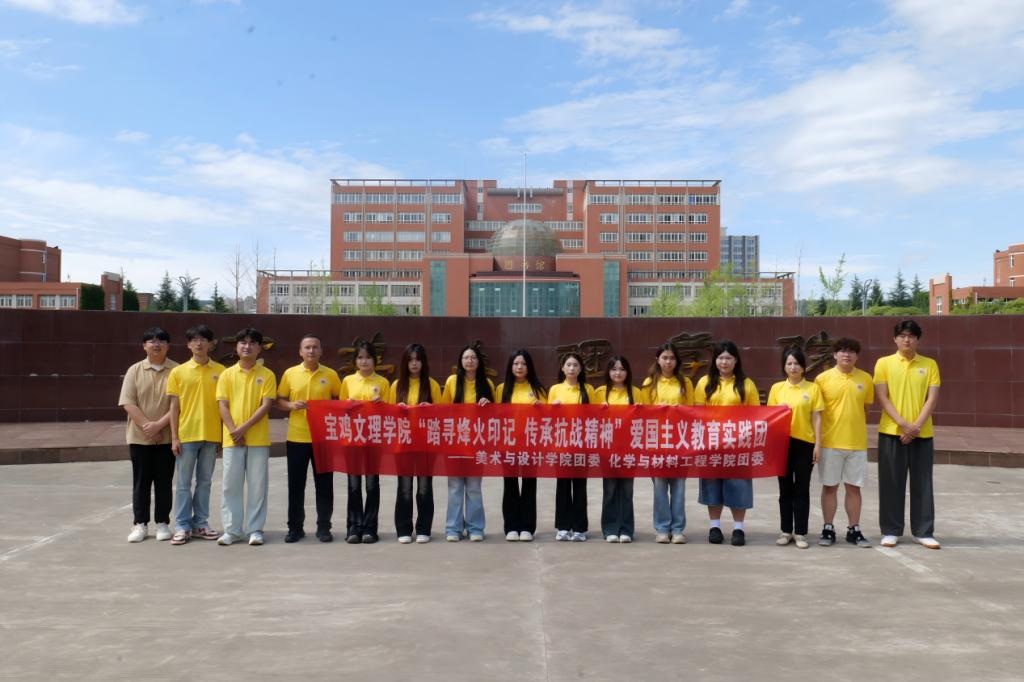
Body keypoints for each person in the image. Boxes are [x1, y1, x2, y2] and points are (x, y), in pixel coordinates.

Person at [874, 320, 942, 549]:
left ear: (917, 339)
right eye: (902, 335)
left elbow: (932, 399)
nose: (907, 339)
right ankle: (891, 530)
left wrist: (915, 427)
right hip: (891, 432)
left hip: (922, 433)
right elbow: (883, 397)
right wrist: (904, 425)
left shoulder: (930, 364)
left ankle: (923, 531)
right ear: (895, 339)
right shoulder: (884, 363)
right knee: (891, 483)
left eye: (911, 336)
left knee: (923, 483)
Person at [695, 340, 760, 547]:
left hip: (738, 444)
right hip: (712, 442)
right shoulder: (705, 382)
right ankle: (714, 526)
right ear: (715, 360)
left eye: (728, 358)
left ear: (736, 360)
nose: (724, 362)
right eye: (720, 358)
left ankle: (738, 528)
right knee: (712, 484)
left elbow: (755, 414)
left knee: (738, 485)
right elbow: (698, 413)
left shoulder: (746, 384)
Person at [277, 334, 341, 544]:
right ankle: (295, 528)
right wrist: (290, 405)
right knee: (296, 485)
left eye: (315, 347)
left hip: (324, 438)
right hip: (297, 437)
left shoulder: (330, 375)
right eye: (307, 347)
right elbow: (279, 399)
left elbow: (340, 399)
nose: (311, 351)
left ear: (321, 351)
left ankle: (324, 527)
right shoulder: (290, 374)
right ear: (300, 351)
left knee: (324, 486)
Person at [216, 328, 276, 546]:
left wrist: (243, 428)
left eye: (252, 343)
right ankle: (232, 530)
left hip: (258, 438)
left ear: (259, 348)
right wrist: (234, 430)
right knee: (230, 485)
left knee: (257, 486)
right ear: (237, 346)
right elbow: (222, 405)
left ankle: (255, 529)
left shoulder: (267, 375)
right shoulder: (227, 374)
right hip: (232, 439)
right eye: (243, 342)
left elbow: (266, 405)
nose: (247, 346)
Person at [119, 327, 179, 543]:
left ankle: (163, 522)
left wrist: (158, 426)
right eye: (152, 341)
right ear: (144, 346)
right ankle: (140, 524)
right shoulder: (134, 370)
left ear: (168, 345)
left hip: (166, 438)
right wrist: (148, 427)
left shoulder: (177, 370)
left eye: (161, 340)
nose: (156, 344)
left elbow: (178, 405)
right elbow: (128, 402)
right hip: (139, 438)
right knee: (141, 482)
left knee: (164, 482)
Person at [166, 324, 224, 545]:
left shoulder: (221, 371)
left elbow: (224, 406)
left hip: (211, 435)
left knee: (205, 482)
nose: (199, 343)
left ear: (211, 344)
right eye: (194, 340)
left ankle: (200, 523)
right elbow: (174, 407)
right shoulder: (178, 372)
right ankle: (182, 525)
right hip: (187, 435)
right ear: (188, 344)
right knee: (183, 483)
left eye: (203, 339)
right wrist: (174, 437)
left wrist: (221, 436)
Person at [814, 337, 874, 548]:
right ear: (835, 354)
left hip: (856, 444)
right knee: (830, 487)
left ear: (857, 356)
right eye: (842, 351)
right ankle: (828, 528)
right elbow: (817, 413)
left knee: (854, 489)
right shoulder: (822, 379)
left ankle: (853, 529)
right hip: (830, 443)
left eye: (851, 351)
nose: (847, 355)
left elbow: (865, 410)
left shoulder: (866, 379)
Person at [767, 346, 824, 549]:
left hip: (805, 444)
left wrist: (818, 444)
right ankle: (785, 531)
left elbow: (817, 418)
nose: (793, 367)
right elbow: (770, 418)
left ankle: (800, 532)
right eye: (789, 363)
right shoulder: (777, 389)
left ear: (803, 366)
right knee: (785, 489)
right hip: (782, 444)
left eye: (797, 363)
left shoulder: (812, 388)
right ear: (784, 366)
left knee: (802, 488)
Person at [388, 343, 442, 544]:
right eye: (410, 360)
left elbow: (442, 414)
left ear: (423, 362)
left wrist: (430, 409)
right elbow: (387, 415)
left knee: (424, 488)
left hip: (426, 444)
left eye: (418, 360)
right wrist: (398, 409)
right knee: (404, 487)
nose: (414, 363)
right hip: (402, 444)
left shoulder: (432, 385)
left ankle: (423, 529)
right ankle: (403, 528)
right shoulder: (396, 385)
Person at [641, 343, 694, 545]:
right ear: (658, 360)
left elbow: (693, 411)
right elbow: (643, 413)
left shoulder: (685, 382)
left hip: (680, 440)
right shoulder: (649, 383)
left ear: (677, 360)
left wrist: (681, 409)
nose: (668, 361)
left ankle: (678, 529)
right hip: (657, 442)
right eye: (664, 357)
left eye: (672, 358)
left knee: (679, 487)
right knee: (660, 487)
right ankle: (662, 528)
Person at [441, 345, 495, 542]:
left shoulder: (487, 383)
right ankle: (453, 528)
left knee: (473, 487)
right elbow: (443, 409)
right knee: (455, 486)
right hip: (455, 440)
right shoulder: (452, 381)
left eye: (473, 357)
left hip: (477, 442)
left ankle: (475, 527)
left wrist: (487, 405)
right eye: (466, 357)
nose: (469, 361)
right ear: (460, 361)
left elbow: (495, 414)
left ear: (479, 362)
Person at [339, 340, 391, 544]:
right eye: (360, 357)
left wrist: (382, 405)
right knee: (353, 486)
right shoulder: (348, 381)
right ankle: (354, 527)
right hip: (352, 440)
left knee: (371, 485)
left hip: (374, 440)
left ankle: (370, 528)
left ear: (375, 360)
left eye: (368, 357)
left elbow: (391, 413)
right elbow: (340, 410)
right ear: (355, 361)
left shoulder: (383, 383)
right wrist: (347, 406)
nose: (364, 361)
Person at [496, 350, 546, 542]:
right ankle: (511, 527)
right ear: (510, 366)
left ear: (529, 367)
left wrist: (541, 409)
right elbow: (495, 415)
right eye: (516, 363)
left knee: (529, 485)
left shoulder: (538, 389)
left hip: (530, 444)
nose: (519, 367)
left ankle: (527, 527)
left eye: (523, 364)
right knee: (510, 485)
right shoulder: (502, 389)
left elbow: (548, 418)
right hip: (507, 444)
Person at [594, 355, 646, 543]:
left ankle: (626, 529)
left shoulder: (636, 392)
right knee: (610, 490)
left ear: (627, 372)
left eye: (622, 369)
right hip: (607, 448)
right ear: (608, 372)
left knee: (626, 490)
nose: (618, 373)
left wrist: (640, 410)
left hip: (629, 448)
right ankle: (610, 529)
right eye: (614, 369)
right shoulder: (599, 392)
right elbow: (590, 420)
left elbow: (644, 419)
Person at [548, 352, 595, 542]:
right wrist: (553, 408)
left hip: (582, 445)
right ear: (562, 368)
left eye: (575, 365)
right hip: (561, 445)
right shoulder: (555, 389)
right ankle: (563, 526)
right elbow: (547, 418)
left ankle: (580, 528)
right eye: (568, 365)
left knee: (580, 487)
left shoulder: (588, 389)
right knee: (563, 486)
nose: (572, 368)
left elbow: (595, 416)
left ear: (581, 369)